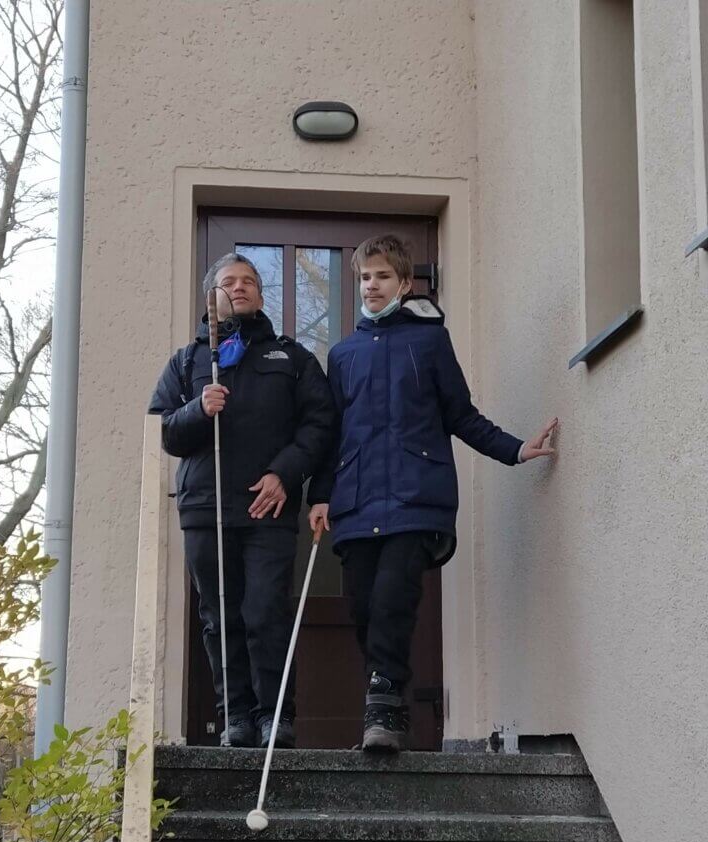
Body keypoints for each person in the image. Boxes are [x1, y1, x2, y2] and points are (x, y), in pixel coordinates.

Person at [308, 234, 558, 753]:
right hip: (355, 503)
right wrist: (320, 495)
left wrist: (515, 450)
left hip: (415, 498)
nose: (371, 285)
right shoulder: (343, 354)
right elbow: (333, 435)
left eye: (381, 276)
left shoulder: (429, 343)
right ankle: (392, 705)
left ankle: (381, 709)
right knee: (365, 608)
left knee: (394, 598)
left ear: (404, 283)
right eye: (364, 277)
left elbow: (460, 415)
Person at [150, 253, 334, 748]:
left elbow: (320, 426)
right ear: (210, 295)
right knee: (219, 616)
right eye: (228, 282)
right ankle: (235, 717)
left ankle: (277, 716)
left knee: (264, 612)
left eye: (249, 281)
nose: (239, 288)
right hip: (204, 509)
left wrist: (284, 475)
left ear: (259, 293)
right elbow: (167, 431)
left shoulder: (291, 359)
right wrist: (196, 408)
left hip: (267, 510)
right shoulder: (187, 361)